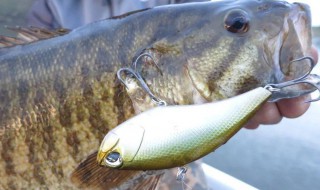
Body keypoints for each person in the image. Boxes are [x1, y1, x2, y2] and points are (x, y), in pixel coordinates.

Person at [26, 0, 319, 189]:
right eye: (237, 25)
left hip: (170, 153)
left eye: (236, 25)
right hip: (54, 161)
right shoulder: (52, 5)